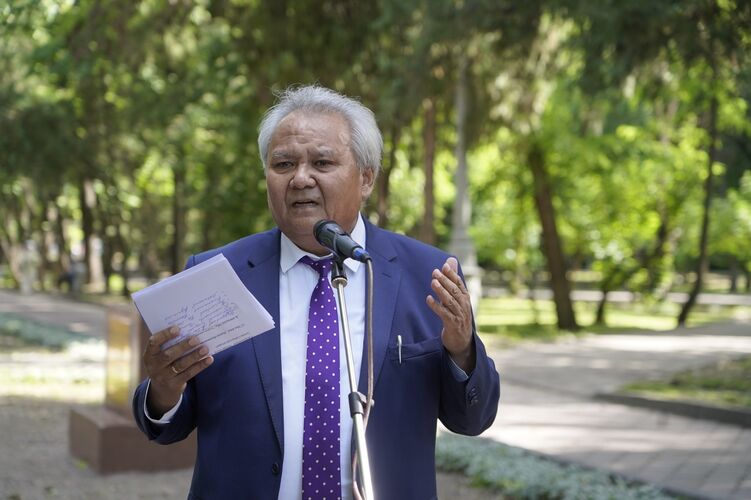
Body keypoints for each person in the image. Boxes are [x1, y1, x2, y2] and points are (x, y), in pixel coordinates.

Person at [132, 85, 500, 500]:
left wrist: (462, 350)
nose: (300, 178)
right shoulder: (216, 276)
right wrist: (164, 390)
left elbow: (473, 419)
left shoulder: (426, 275)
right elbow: (168, 424)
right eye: (283, 164)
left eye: (322, 162)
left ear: (366, 178)